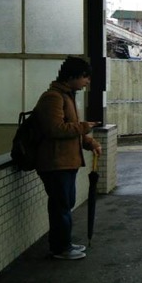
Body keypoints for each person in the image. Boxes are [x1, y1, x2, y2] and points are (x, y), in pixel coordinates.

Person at [35, 56, 102, 260]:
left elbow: (71, 129)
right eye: (85, 77)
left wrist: (90, 142)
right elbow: (54, 129)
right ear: (72, 76)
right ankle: (60, 248)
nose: (87, 81)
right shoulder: (53, 97)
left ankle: (64, 243)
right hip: (55, 163)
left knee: (65, 204)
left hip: (65, 162)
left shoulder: (68, 96)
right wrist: (84, 127)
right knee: (60, 206)